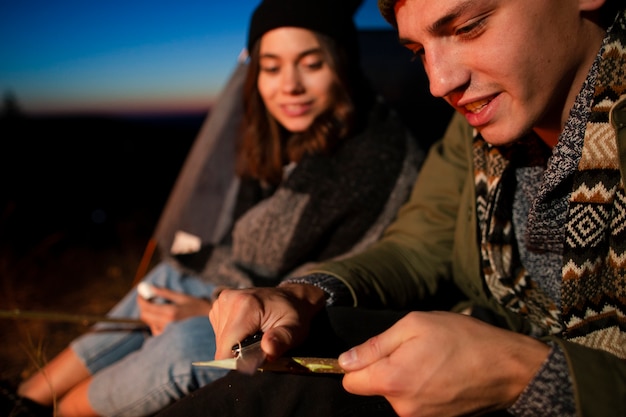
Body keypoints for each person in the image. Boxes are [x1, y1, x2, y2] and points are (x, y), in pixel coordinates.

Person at [154, 0, 626, 416]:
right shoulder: (474, 133)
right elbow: (419, 244)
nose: (439, 83)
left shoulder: (380, 150)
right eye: (418, 52)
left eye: (468, 27)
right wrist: (305, 292)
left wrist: (524, 376)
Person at [0, 0, 425, 416]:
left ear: (344, 65)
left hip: (307, 322)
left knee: (186, 344)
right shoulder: (287, 140)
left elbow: (343, 281)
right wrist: (207, 295)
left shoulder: (374, 157)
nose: (289, 85)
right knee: (168, 276)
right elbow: (246, 259)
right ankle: (29, 394)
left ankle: (60, 411)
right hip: (254, 289)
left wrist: (209, 308)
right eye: (271, 67)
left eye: (311, 64)